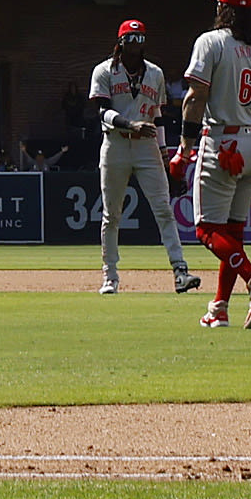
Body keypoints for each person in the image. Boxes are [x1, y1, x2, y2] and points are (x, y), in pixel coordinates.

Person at [172, 0, 251, 331]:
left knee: (206, 230)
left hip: (222, 142)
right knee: (232, 234)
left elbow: (194, 98)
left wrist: (184, 147)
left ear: (223, 8)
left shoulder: (211, 42)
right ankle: (219, 307)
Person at [87, 18, 199, 296]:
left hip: (147, 146)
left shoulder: (155, 73)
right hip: (116, 143)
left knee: (163, 209)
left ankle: (180, 271)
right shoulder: (104, 71)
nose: (136, 45)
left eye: (141, 39)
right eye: (131, 40)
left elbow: (158, 117)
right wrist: (129, 124)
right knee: (111, 215)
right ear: (120, 42)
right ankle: (110, 277)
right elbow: (102, 112)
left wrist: (165, 156)